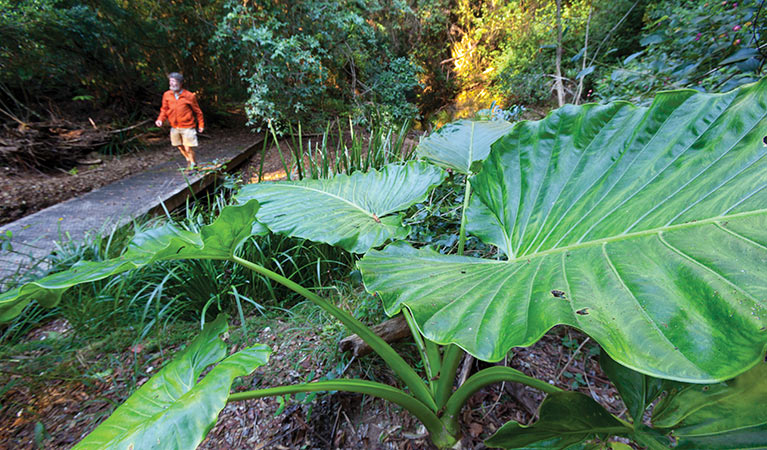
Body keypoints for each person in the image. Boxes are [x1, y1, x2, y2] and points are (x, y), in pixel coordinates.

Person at [155, 72, 204, 169]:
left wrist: (201, 125)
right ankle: (188, 159)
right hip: (174, 126)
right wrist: (160, 119)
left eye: (174, 81)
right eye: (170, 81)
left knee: (187, 146)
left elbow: (198, 112)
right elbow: (164, 109)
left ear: (180, 83)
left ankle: (193, 164)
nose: (171, 84)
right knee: (179, 145)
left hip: (188, 126)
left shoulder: (189, 96)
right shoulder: (167, 95)